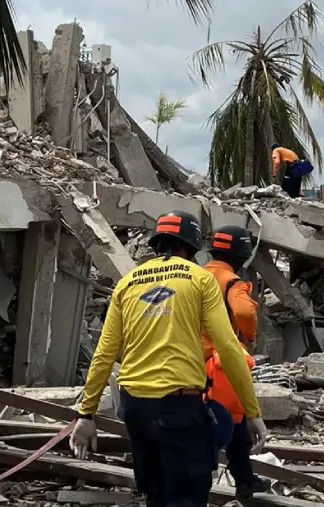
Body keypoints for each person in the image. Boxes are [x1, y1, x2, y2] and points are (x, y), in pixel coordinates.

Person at [70, 210, 269, 506]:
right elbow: (228, 347)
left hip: (134, 408)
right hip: (179, 408)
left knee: (155, 495)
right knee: (185, 498)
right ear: (192, 246)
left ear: (156, 243)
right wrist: (252, 412)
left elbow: (104, 354)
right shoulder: (200, 279)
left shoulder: (128, 283)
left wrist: (86, 414)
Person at [201, 225, 272, 501]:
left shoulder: (197, 275)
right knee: (235, 418)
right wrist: (248, 335)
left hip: (191, 361)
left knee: (202, 421)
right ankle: (241, 481)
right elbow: (243, 312)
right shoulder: (232, 282)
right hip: (221, 361)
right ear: (242, 254)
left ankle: (242, 479)